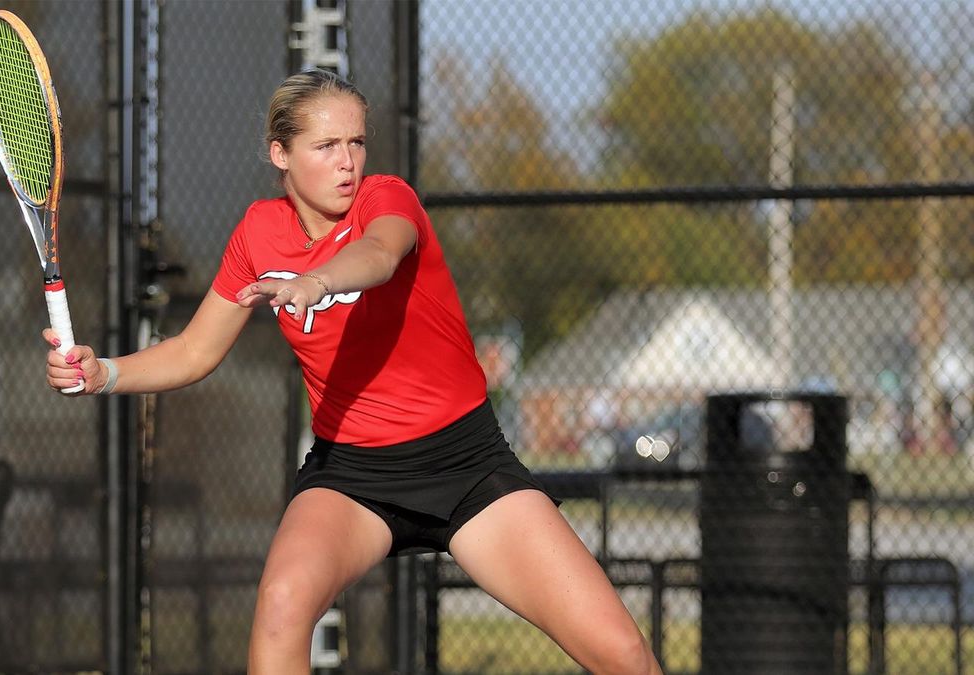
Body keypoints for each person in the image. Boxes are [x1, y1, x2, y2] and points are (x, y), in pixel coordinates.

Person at [44, 69, 662, 675]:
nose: (348, 161)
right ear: (279, 153)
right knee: (282, 606)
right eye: (326, 145)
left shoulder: (387, 198)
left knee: (622, 654)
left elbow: (379, 255)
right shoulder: (258, 235)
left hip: (466, 465)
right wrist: (103, 374)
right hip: (352, 475)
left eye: (357, 142)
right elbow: (194, 351)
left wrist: (319, 279)